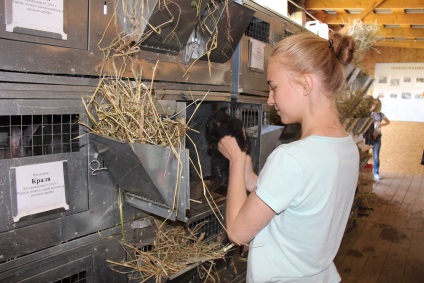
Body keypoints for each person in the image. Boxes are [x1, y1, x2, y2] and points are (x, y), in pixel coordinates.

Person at [217, 32, 359, 282]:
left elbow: (237, 234)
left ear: (305, 84)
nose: (270, 100)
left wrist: (238, 162)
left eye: (273, 87)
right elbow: (300, 200)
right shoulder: (347, 148)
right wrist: (251, 179)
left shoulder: (292, 158)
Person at [370, 98, 390, 181]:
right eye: (375, 104)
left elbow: (388, 121)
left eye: (378, 104)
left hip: (377, 137)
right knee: (365, 156)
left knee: (376, 156)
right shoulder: (370, 114)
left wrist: (381, 124)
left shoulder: (381, 115)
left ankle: (376, 173)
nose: (377, 106)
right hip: (369, 137)